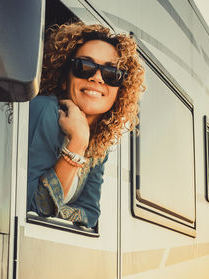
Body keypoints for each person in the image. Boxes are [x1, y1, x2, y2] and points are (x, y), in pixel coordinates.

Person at [27, 22, 145, 228]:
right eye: (84, 66)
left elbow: (91, 213)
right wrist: (78, 142)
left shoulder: (100, 143)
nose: (97, 77)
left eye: (111, 73)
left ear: (120, 90)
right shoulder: (45, 111)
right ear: (65, 79)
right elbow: (35, 205)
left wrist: (58, 209)